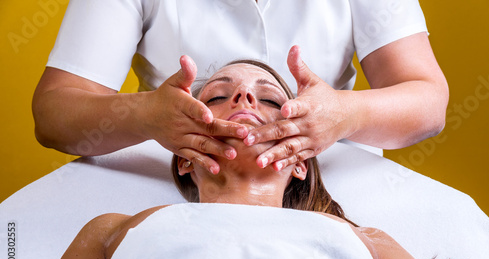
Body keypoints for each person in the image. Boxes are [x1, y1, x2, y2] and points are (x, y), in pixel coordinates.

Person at [23, 60, 484, 259]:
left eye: (268, 101)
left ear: (300, 159)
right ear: (183, 157)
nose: (243, 95)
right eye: (218, 96)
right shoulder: (111, 233)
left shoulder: (364, 242)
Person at [32, 0, 449, 175]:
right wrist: (145, 116)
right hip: (176, 187)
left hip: (327, 185)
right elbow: (54, 114)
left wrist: (345, 115)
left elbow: (427, 100)